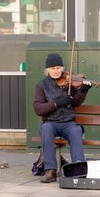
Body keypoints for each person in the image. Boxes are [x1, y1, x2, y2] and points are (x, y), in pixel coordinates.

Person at [33, 53, 92, 183]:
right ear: (47, 69)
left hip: (68, 123)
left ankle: (78, 168)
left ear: (62, 68)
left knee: (76, 130)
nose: (56, 71)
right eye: (53, 68)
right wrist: (56, 103)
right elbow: (38, 109)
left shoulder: (69, 81)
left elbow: (76, 103)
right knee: (45, 129)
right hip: (51, 122)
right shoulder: (41, 85)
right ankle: (51, 170)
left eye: (59, 68)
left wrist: (83, 91)